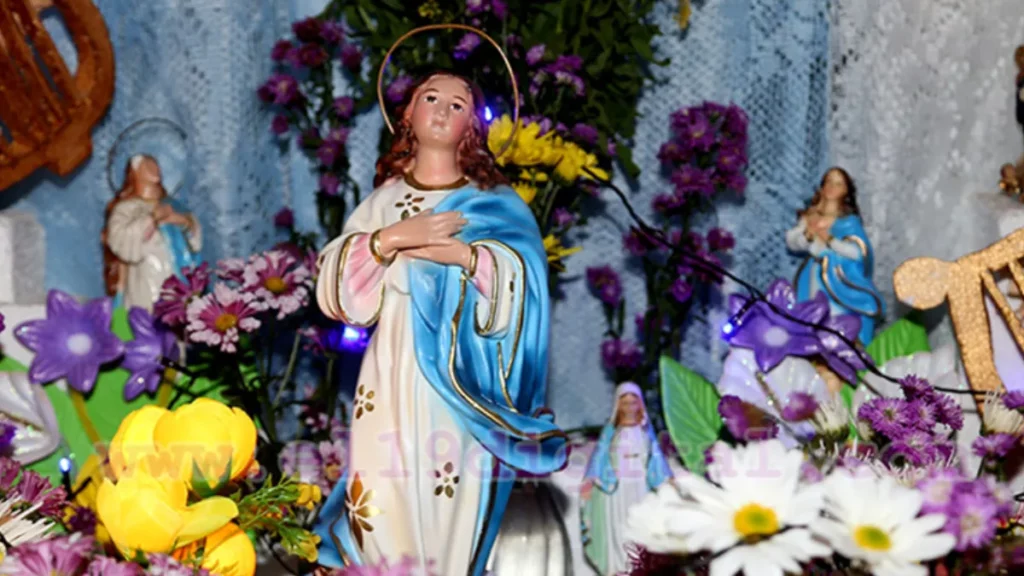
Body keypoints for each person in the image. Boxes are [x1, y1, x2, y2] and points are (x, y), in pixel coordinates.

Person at [313, 71, 566, 576]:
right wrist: (391, 238)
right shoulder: (383, 201)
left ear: (473, 126)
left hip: (459, 376)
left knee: (446, 478)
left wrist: (466, 258)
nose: (442, 110)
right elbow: (338, 291)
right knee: (382, 480)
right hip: (389, 368)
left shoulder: (493, 204)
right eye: (430, 98)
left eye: (458, 104)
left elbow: (526, 286)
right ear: (407, 113)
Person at [580, 382, 670, 576]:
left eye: (633, 402)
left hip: (640, 489)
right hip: (616, 490)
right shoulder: (611, 432)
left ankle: (641, 567)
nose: (629, 407)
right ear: (618, 405)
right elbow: (599, 457)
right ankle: (618, 567)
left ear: (640, 405)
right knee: (619, 529)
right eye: (625, 403)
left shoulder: (646, 432)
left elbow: (656, 459)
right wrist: (591, 479)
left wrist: (666, 479)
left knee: (641, 527)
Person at [785, 167, 884, 344]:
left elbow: (858, 253)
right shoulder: (810, 215)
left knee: (837, 315)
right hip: (815, 273)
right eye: (829, 182)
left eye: (838, 184)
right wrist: (808, 235)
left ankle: (843, 345)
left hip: (839, 278)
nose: (832, 187)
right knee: (815, 312)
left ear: (846, 191)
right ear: (822, 187)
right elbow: (792, 242)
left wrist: (830, 240)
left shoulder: (848, 221)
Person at [102, 155, 202, 311]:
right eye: (147, 164)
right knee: (146, 313)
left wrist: (184, 222)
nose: (153, 167)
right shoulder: (125, 209)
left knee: (176, 311)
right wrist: (152, 218)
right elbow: (119, 239)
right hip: (144, 277)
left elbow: (194, 242)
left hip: (175, 273)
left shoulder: (172, 205)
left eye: (154, 164)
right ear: (135, 172)